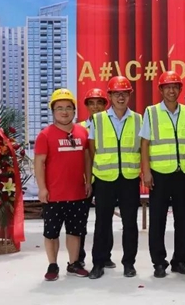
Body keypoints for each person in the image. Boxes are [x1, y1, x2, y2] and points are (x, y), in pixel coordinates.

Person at [140, 71, 185, 278]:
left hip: (183, 173)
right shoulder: (151, 112)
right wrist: (146, 171)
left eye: (175, 87)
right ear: (161, 90)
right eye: (167, 87)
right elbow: (144, 143)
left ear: (180, 89)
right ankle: (159, 262)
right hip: (159, 174)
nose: (171, 90)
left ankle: (180, 260)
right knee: (157, 220)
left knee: (183, 219)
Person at [88, 76, 142, 279]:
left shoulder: (138, 119)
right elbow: (92, 150)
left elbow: (143, 147)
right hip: (105, 178)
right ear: (109, 96)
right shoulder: (98, 119)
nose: (121, 97)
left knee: (130, 223)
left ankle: (129, 263)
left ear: (129, 95)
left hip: (129, 178)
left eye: (125, 93)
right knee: (102, 222)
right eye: (116, 93)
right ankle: (98, 263)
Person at [34, 89, 91, 281]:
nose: (64, 112)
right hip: (54, 195)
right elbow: (39, 163)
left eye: (68, 107)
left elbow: (87, 158)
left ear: (74, 110)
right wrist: (42, 188)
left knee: (75, 231)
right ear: (53, 111)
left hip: (77, 193)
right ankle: (52, 265)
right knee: (51, 233)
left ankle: (74, 264)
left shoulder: (82, 132)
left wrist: (88, 181)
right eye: (59, 108)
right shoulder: (45, 135)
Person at [77, 88, 114, 269]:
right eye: (91, 103)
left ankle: (105, 256)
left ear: (105, 105)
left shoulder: (110, 124)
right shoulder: (79, 128)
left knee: (104, 219)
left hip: (103, 177)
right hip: (84, 180)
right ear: (86, 106)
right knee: (80, 219)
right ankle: (78, 257)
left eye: (99, 103)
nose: (95, 107)